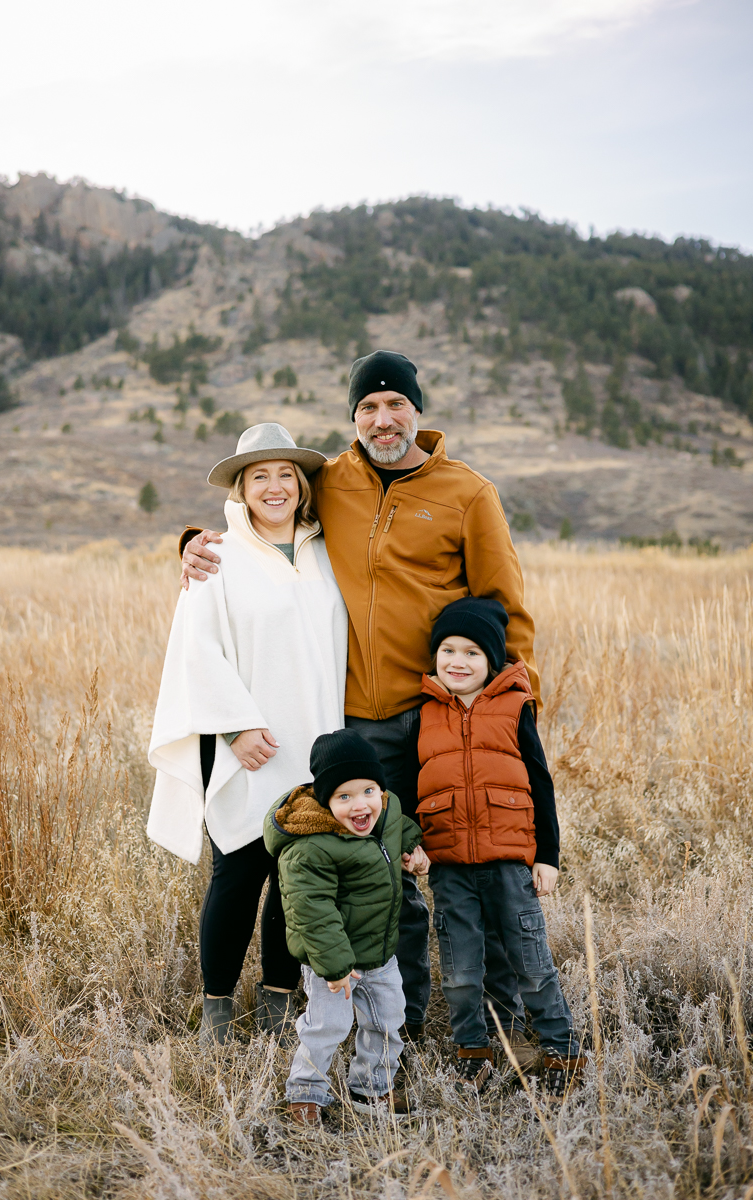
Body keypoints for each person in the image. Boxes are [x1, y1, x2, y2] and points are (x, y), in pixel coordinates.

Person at [180, 349, 540, 1038]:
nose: (383, 418)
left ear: (418, 411)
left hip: (438, 717)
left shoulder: (469, 493)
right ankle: (389, 1027)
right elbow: (260, 520)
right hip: (351, 724)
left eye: (395, 404)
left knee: (468, 867)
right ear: (352, 417)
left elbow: (506, 610)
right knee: (376, 879)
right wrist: (193, 548)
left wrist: (514, 707)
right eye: (368, 407)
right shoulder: (331, 480)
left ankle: (498, 1018)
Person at [148, 424, 348, 1047]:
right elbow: (194, 650)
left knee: (299, 874)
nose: (274, 486)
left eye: (286, 473)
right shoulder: (218, 558)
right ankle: (215, 1011)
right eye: (259, 475)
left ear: (302, 485)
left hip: (315, 739)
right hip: (249, 747)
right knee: (238, 871)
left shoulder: (326, 552)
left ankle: (278, 1001)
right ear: (240, 488)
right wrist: (234, 727)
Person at [417, 596, 584, 1098]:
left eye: (472, 652)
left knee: (530, 962)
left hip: (511, 862)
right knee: (461, 970)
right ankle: (474, 1051)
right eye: (448, 650)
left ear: (491, 661)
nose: (457, 662)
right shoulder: (423, 713)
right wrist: (414, 844)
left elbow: (540, 781)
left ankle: (562, 1047)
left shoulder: (514, 705)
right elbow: (409, 785)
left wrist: (547, 856)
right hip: (449, 867)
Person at [263, 729, 430, 1126]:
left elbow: (399, 825)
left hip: (381, 952)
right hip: (332, 963)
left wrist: (414, 848)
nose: (361, 805)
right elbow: (311, 911)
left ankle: (370, 1088)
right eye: (344, 797)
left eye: (369, 791)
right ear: (325, 800)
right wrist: (335, 967)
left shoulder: (385, 810)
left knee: (388, 1019)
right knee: (327, 1026)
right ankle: (305, 1092)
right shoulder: (310, 847)